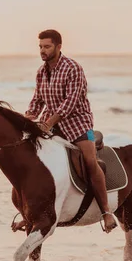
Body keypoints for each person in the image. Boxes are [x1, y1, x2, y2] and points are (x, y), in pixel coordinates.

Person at [24, 29, 119, 232]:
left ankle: (106, 212)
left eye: (47, 46)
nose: (42, 50)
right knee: (34, 158)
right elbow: (37, 100)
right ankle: (31, 211)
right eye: (40, 46)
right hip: (52, 124)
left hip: (79, 124)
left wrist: (49, 123)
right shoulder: (41, 72)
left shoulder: (73, 68)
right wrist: (25, 120)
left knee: (90, 161)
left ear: (59, 47)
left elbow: (71, 101)